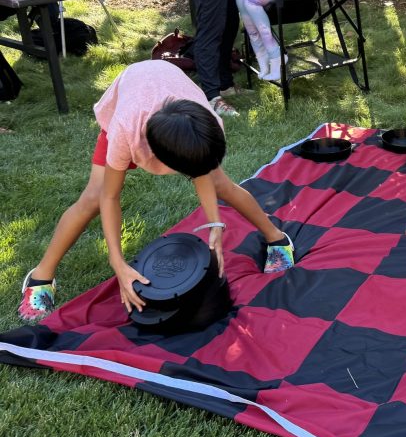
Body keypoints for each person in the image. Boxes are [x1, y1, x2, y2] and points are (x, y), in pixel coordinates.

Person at [18, 60, 296, 323]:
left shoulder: (206, 124)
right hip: (134, 99)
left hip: (167, 91)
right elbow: (110, 197)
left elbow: (203, 173)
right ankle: (41, 277)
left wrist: (215, 225)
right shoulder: (125, 131)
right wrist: (117, 261)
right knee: (92, 198)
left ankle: (277, 239)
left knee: (221, 184)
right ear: (159, 160)